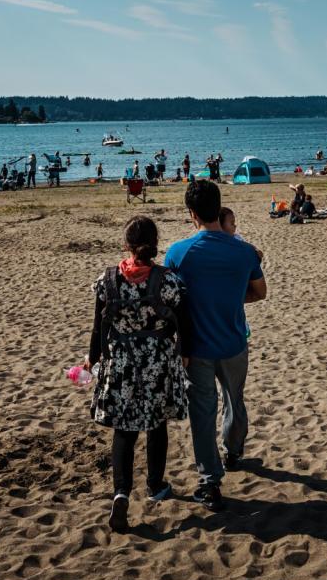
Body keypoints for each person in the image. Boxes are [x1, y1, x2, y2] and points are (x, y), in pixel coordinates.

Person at [165, 180, 266, 511]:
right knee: (234, 401)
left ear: (192, 214)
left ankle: (210, 482)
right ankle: (233, 450)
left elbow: (169, 301)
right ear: (217, 208)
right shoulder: (245, 251)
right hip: (235, 340)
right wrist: (231, 300)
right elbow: (259, 292)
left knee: (203, 413)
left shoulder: (178, 253)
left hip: (197, 349)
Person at [86, 216, 191, 532]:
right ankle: (156, 485)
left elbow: (98, 327)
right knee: (156, 425)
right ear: (155, 243)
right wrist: (184, 356)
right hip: (157, 362)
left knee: (124, 430)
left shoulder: (107, 281)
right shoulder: (169, 282)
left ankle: (121, 493)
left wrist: (92, 360)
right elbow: (183, 325)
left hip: (121, 363)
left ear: (126, 244)